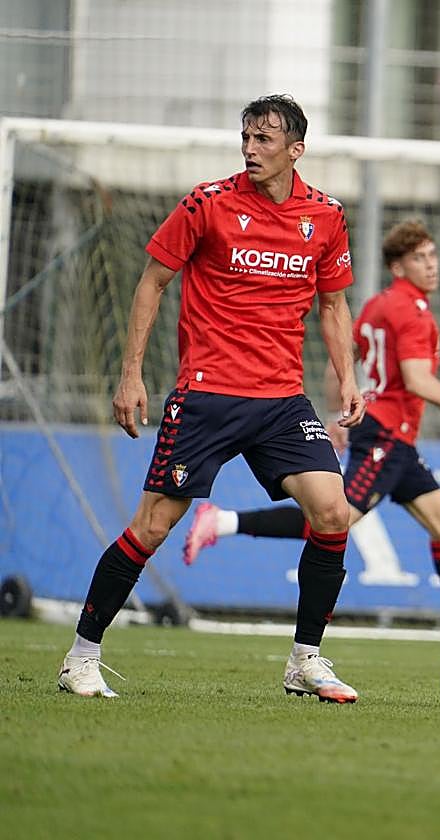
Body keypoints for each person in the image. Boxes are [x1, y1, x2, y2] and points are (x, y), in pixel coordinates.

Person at [57, 94, 366, 702]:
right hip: (206, 395)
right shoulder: (208, 203)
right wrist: (131, 375)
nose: (250, 148)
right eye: (246, 137)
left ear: (295, 149)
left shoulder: (325, 216)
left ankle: (305, 660)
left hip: (281, 400)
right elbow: (152, 283)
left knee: (333, 513)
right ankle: (81, 656)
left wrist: (347, 378)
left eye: (265, 139)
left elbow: (333, 304)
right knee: (152, 527)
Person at [181, 220, 440, 660]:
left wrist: (337, 415)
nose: (432, 265)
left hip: (393, 437)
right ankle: (222, 521)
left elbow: (338, 362)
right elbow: (417, 380)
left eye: (433, 255)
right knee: (334, 519)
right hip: (386, 433)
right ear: (397, 267)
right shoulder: (411, 311)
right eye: (420, 258)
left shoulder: (377, 306)